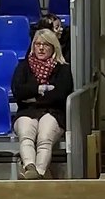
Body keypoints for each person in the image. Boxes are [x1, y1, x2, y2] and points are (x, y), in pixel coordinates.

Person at [11, 28, 73, 179]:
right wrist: (40, 89)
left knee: (44, 138)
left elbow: (59, 95)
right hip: (27, 111)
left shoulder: (63, 69)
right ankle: (30, 167)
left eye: (45, 44)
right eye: (37, 44)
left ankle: (38, 174)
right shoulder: (24, 66)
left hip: (53, 112)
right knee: (26, 136)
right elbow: (18, 91)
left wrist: (32, 97)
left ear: (53, 47)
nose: (40, 48)